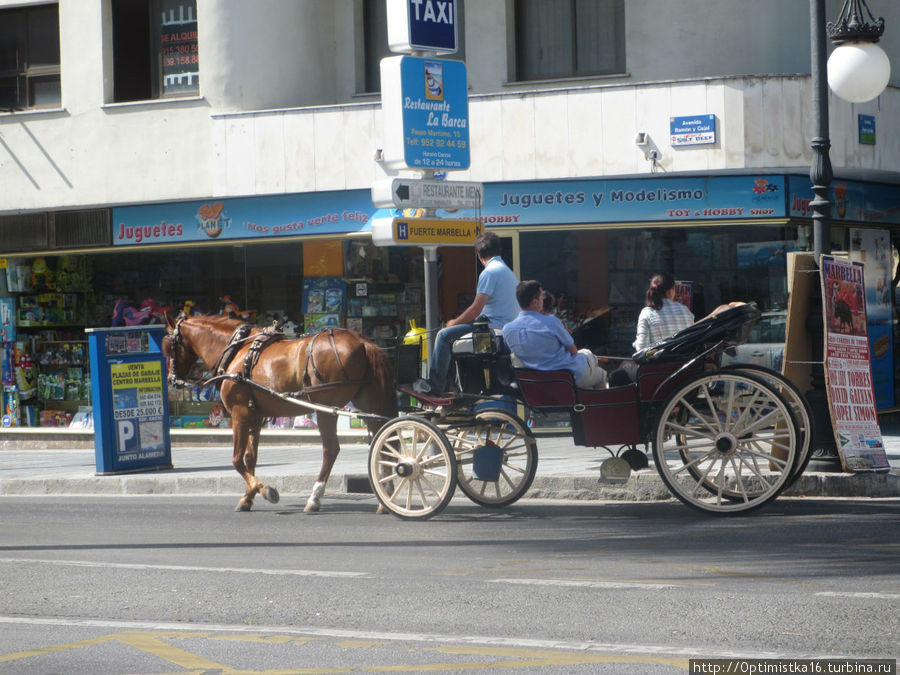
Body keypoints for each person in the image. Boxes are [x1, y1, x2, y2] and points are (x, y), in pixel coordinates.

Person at [413, 231, 519, 394]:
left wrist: (454, 322)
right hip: (503, 328)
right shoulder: (508, 272)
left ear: (478, 255)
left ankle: (435, 386)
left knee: (444, 335)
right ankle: (453, 385)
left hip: (492, 328)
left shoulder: (489, 272)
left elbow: (476, 309)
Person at [503, 280, 608, 389]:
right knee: (600, 373)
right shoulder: (551, 322)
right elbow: (573, 351)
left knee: (587, 358)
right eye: (541, 298)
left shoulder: (507, 330)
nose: (543, 300)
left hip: (534, 384)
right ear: (535, 302)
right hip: (565, 379)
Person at [632, 272, 695, 352]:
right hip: (684, 363)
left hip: (659, 363)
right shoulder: (685, 310)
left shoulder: (647, 313)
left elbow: (641, 349)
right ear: (670, 291)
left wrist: (635, 344)